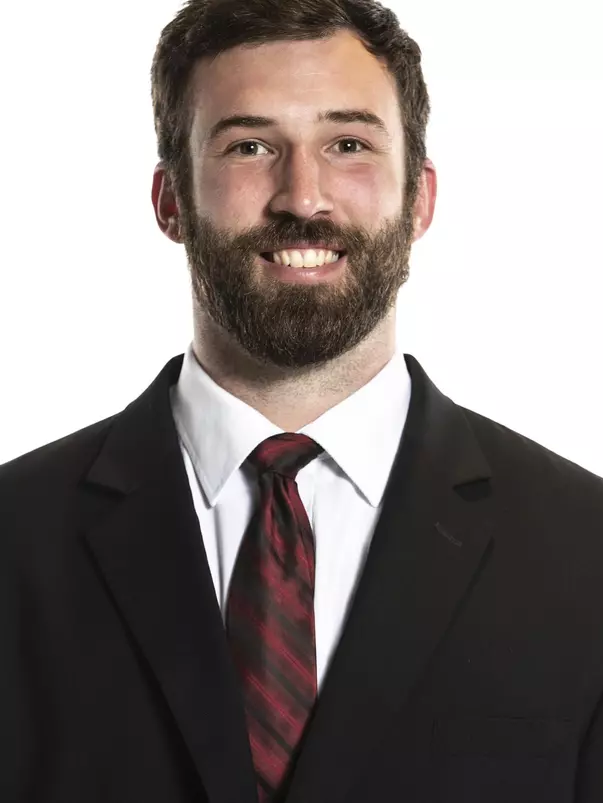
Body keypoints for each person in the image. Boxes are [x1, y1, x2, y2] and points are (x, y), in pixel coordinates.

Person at [6, 0, 603, 801]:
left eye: (348, 144)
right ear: (170, 200)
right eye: (249, 145)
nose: (303, 196)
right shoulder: (14, 541)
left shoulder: (584, 550)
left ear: (419, 199)